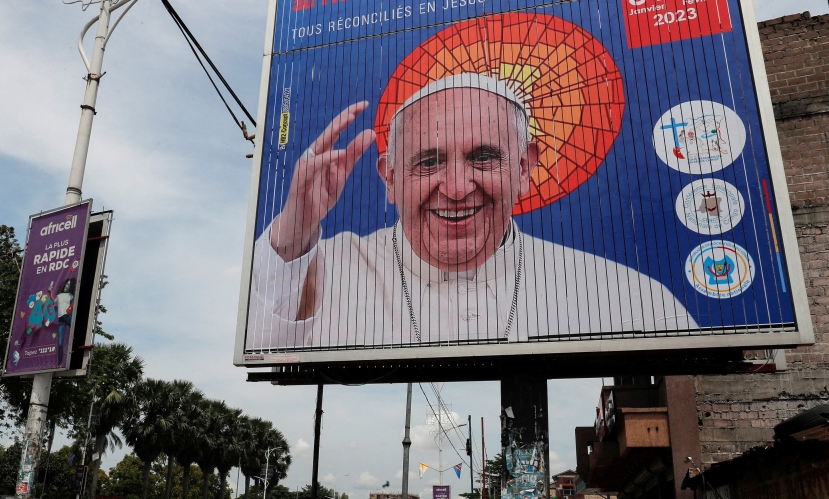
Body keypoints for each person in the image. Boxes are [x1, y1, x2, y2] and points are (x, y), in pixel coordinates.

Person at [247, 73, 697, 350]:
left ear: (524, 168)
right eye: (429, 161)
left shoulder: (632, 298)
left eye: (483, 157)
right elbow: (258, 346)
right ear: (389, 179)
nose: (458, 189)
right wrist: (293, 234)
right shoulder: (331, 266)